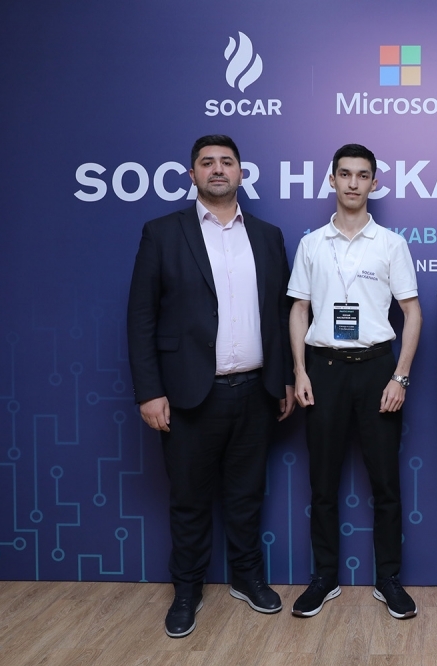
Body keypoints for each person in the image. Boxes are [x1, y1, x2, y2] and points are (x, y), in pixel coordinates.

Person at [127, 135, 295, 638]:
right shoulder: (162, 232)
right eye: (207, 163)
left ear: (241, 172)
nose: (218, 169)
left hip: (257, 391)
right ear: (192, 173)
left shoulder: (267, 236)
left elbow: (281, 314)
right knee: (189, 499)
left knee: (247, 495)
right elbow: (141, 317)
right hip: (187, 394)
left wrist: (285, 377)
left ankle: (246, 577)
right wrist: (149, 391)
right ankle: (187, 589)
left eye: (227, 162)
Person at [287, 143, 421, 620]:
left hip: (377, 369)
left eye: (362, 175)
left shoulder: (390, 244)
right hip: (322, 370)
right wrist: (300, 371)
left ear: (374, 183)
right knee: (322, 483)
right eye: (344, 174)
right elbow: (299, 309)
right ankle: (324, 577)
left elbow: (411, 312)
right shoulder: (311, 244)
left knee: (386, 482)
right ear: (332, 179)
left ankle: (389, 579)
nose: (352, 183)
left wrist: (400, 376)